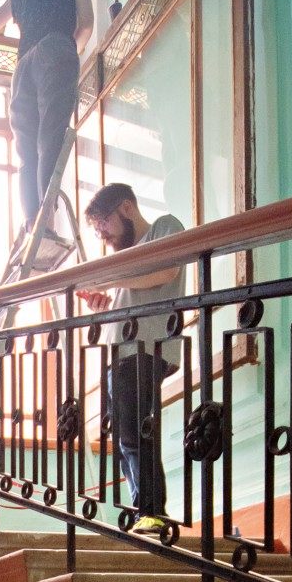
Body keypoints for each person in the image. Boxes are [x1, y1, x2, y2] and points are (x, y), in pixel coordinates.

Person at [81, 182, 187, 533]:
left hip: (144, 348)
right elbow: (130, 294)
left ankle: (153, 513)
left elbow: (167, 272)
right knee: (126, 438)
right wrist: (103, 302)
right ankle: (145, 511)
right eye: (96, 228)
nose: (102, 233)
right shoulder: (123, 259)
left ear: (127, 208)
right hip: (120, 352)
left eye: (104, 222)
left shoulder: (164, 227)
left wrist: (111, 280)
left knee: (137, 435)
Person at [0, 0, 94, 231]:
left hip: (23, 68)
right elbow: (87, 23)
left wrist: (9, 27)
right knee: (50, 140)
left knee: (26, 151)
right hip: (55, 51)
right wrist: (72, 49)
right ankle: (47, 222)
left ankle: (31, 221)